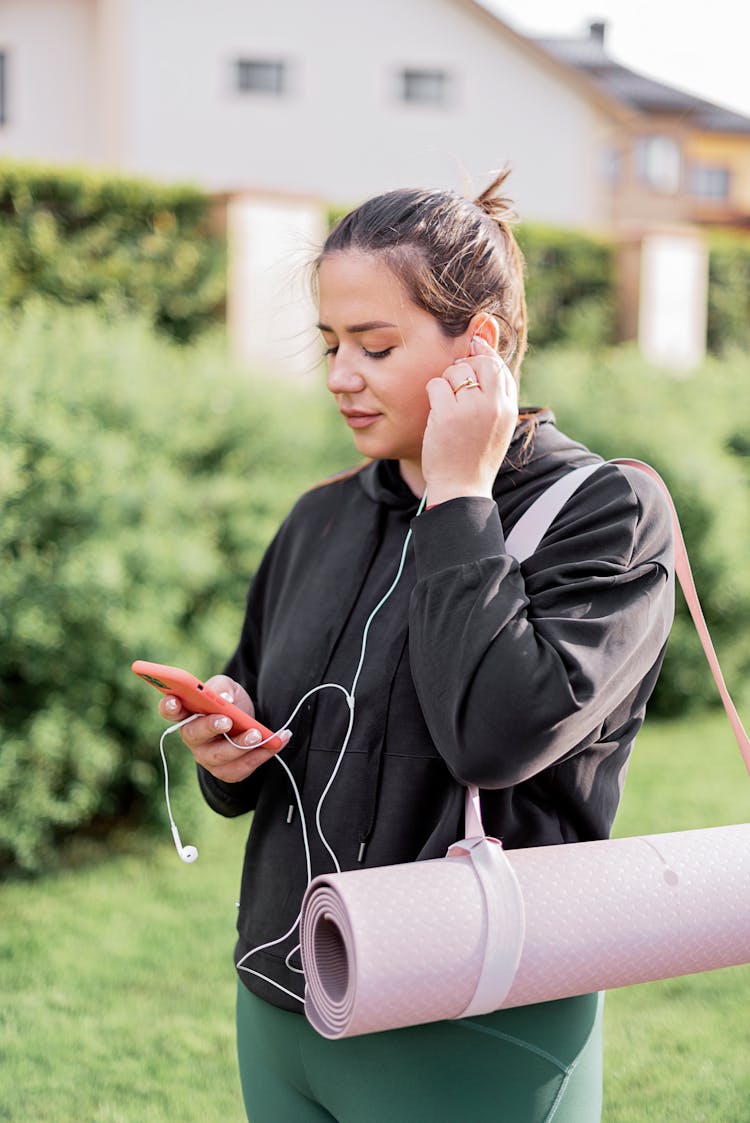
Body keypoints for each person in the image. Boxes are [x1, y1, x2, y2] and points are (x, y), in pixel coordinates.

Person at [158, 171, 674, 1122]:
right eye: (329, 344)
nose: (340, 375)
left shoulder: (605, 511)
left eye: (376, 344)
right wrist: (223, 751)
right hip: (285, 1004)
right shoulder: (320, 516)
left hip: (473, 1017)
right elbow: (270, 752)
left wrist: (461, 494)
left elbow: (495, 737)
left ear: (476, 345)